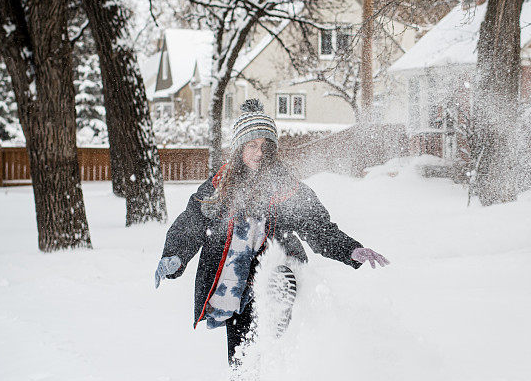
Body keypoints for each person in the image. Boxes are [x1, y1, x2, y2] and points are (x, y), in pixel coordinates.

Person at [154, 99, 389, 366]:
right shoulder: (218, 188)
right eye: (252, 145)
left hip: (275, 268)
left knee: (275, 288)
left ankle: (278, 315)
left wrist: (350, 249)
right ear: (239, 148)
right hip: (233, 280)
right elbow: (191, 223)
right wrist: (174, 256)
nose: (258, 153)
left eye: (266, 146)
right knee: (242, 357)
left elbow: (318, 226)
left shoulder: (287, 187)